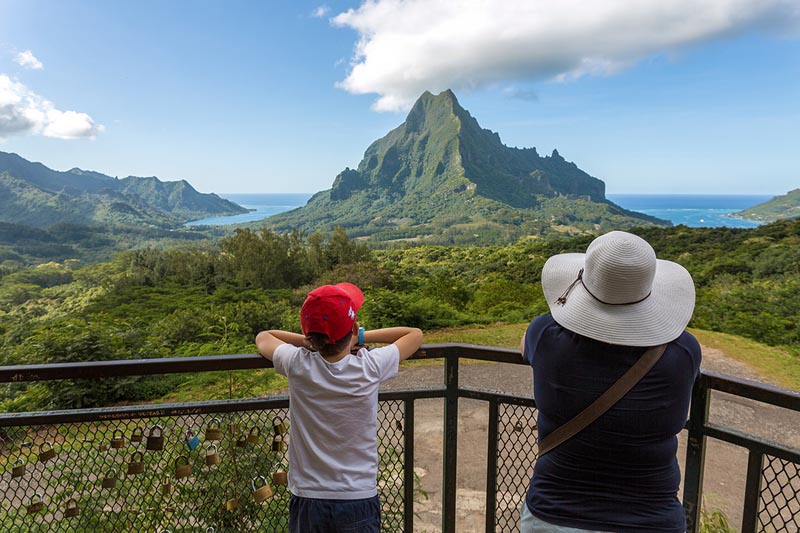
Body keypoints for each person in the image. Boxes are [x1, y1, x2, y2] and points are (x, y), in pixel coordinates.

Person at [520, 231, 701, 533]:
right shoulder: (682, 353)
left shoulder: (546, 335)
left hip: (552, 514)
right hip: (651, 520)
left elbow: (525, 349)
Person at [255, 282, 423, 533]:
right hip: (357, 496)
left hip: (308, 497)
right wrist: (362, 336)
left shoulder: (297, 364)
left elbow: (263, 337)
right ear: (353, 328)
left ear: (311, 335)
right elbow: (414, 335)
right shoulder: (370, 365)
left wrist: (310, 341)